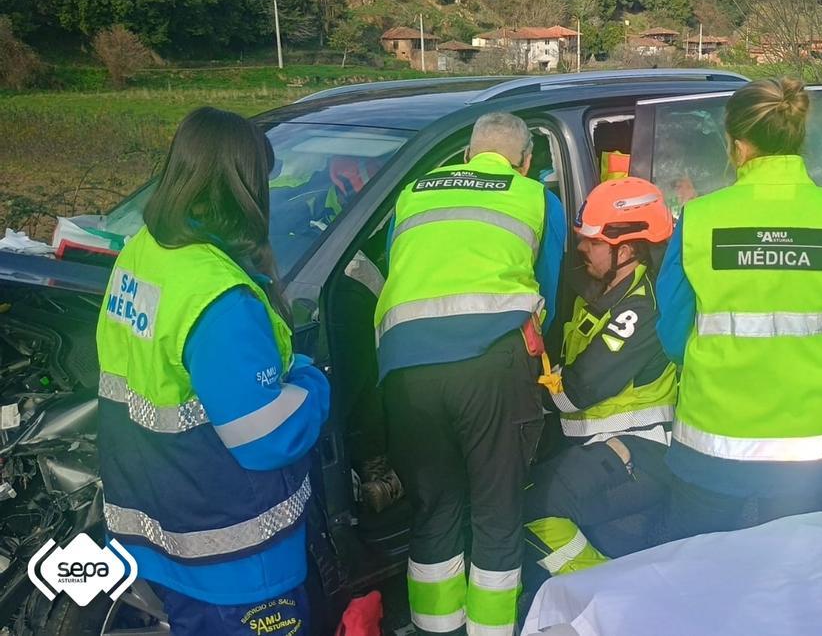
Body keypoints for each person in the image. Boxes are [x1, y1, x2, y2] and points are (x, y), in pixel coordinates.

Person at [96, 107, 330, 634]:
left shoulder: (145, 253)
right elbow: (266, 438)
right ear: (244, 186)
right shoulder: (219, 296)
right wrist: (315, 384)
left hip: (157, 531)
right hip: (234, 558)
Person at [656, 77, 822, 540]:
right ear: (798, 138)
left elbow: (673, 337)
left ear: (737, 146)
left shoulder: (700, 219)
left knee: (695, 583)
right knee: (793, 580)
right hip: (811, 450)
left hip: (711, 444)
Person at [374, 112, 565, 636]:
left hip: (406, 366)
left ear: (465, 157)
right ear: (526, 163)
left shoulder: (412, 193)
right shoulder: (535, 199)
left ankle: (435, 628)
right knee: (497, 513)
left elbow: (400, 272)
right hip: (490, 366)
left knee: (435, 509)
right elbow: (546, 290)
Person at [524, 177, 677, 585]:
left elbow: (578, 390)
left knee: (531, 512)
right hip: (599, 447)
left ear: (625, 249)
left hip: (642, 453)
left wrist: (536, 384)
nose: (581, 249)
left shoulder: (641, 308)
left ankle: (609, 596)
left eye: (592, 243)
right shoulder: (605, 293)